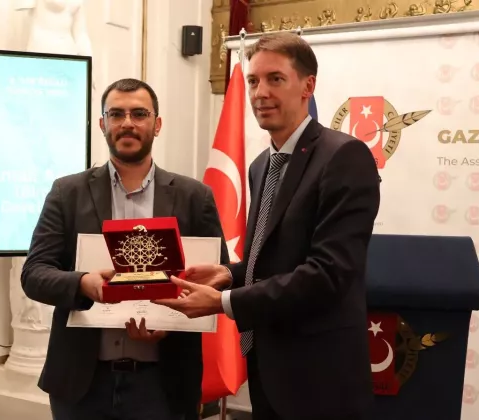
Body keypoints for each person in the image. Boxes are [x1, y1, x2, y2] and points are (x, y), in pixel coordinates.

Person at [153, 32, 381, 420]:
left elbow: (327, 274)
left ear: (308, 86)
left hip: (320, 380)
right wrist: (229, 273)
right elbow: (277, 259)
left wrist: (223, 302)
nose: (260, 93)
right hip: (268, 370)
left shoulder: (344, 156)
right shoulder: (262, 165)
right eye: (253, 81)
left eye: (275, 79)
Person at [20, 78, 229, 420]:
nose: (127, 123)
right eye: (116, 114)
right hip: (82, 385)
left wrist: (171, 321)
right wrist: (83, 284)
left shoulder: (195, 197)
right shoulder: (66, 193)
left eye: (139, 114)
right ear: (103, 124)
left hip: (163, 385)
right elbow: (34, 275)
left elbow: (218, 279)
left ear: (157, 124)